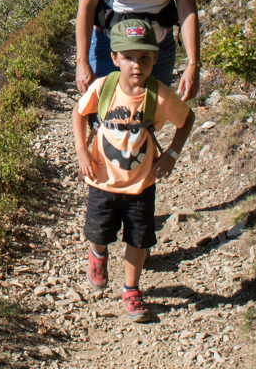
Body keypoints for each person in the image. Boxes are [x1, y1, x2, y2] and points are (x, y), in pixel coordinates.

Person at [73, 19, 195, 322]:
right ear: (115, 58)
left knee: (138, 240)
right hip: (102, 180)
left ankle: (131, 289)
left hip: (141, 184)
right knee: (98, 232)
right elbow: (78, 112)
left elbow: (187, 119)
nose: (136, 65)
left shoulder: (160, 96)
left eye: (144, 57)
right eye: (128, 57)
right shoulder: (104, 88)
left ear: (155, 57)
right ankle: (98, 254)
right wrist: (82, 151)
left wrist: (171, 154)